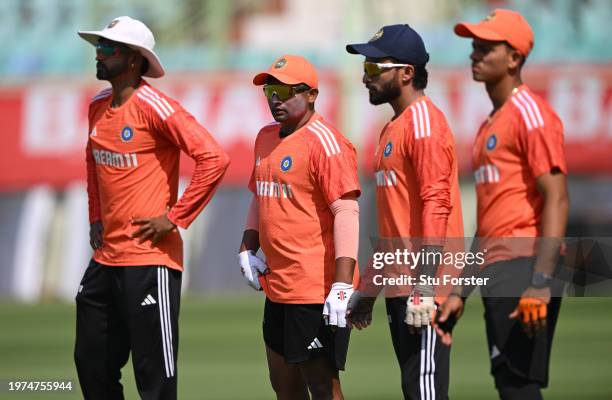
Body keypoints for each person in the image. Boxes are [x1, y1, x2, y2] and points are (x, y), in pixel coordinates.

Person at [75, 16, 230, 399]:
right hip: (106, 259)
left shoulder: (157, 106)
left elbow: (214, 158)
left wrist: (175, 218)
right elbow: (93, 161)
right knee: (91, 364)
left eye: (108, 48)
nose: (99, 53)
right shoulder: (97, 106)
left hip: (149, 262)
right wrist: (96, 216)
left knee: (155, 379)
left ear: (133, 59)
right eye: (98, 46)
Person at [435, 9, 569, 400]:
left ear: (514, 58)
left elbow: (558, 197)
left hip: (525, 264)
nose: (475, 54)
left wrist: (540, 282)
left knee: (518, 385)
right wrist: (461, 291)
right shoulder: (489, 124)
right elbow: (489, 224)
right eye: (474, 47)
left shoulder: (531, 114)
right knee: (509, 383)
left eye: (486, 47)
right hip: (499, 268)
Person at [345, 25, 464, 399]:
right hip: (404, 286)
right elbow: (394, 227)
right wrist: (368, 289)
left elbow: (437, 204)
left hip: (424, 288)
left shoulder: (424, 126)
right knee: (415, 390)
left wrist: (426, 286)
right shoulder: (393, 128)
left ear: (406, 73)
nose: (366, 78)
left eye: (374, 68)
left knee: (424, 393)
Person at [238, 54, 361, 400]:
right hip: (279, 285)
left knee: (323, 386)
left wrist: (341, 284)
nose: (274, 97)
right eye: (269, 90)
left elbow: (346, 212)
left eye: (283, 89)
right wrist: (248, 247)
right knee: (283, 386)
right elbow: (259, 195)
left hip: (315, 290)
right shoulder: (265, 138)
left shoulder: (326, 142)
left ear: (311, 94)